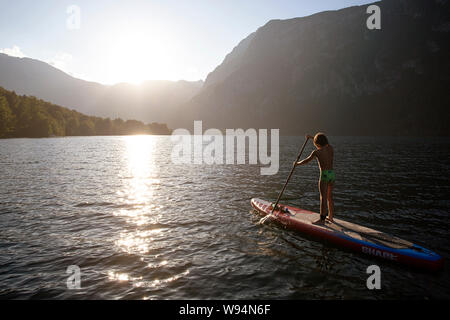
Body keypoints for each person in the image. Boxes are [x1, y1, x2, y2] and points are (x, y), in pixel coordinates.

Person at [294, 133, 335, 224]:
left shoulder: (316, 152)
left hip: (324, 175)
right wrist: (312, 137)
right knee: (329, 197)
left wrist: (297, 164)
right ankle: (331, 217)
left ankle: (322, 220)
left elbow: (306, 160)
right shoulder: (330, 148)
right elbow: (322, 142)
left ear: (317, 143)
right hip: (332, 174)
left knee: (323, 198)